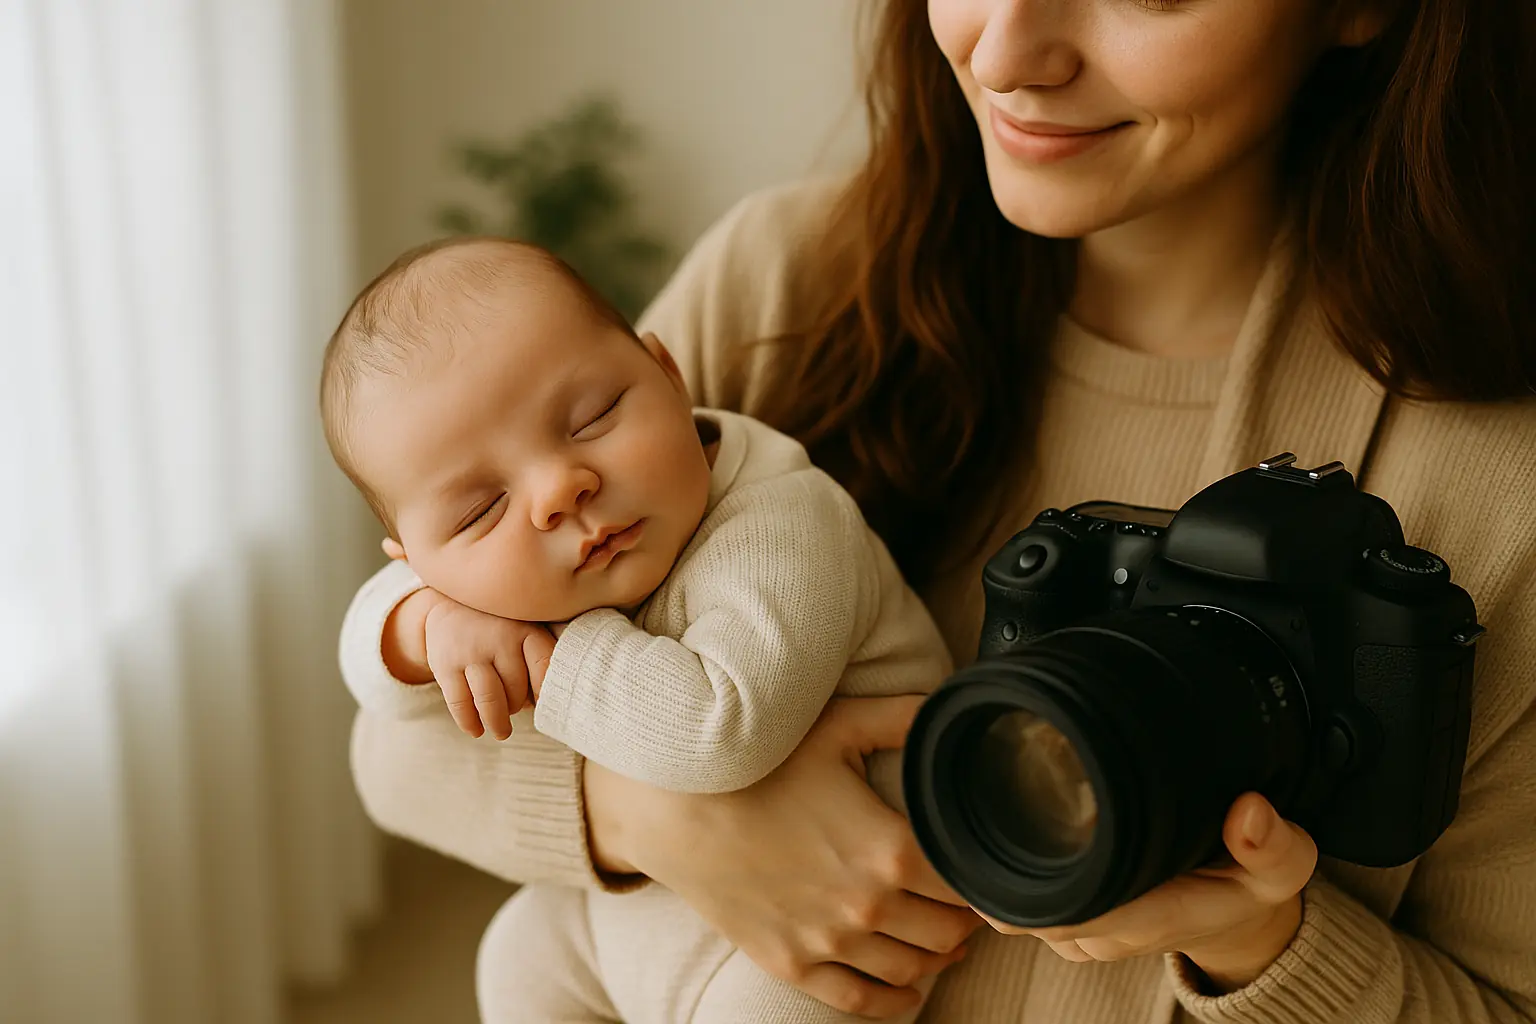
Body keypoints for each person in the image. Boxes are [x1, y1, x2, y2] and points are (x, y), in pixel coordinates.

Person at [340, 0, 1536, 1021]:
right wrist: (667, 813)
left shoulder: (1493, 482)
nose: (1011, 51)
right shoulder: (783, 280)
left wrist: (1263, 952)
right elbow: (399, 752)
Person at [321, 238, 958, 1021]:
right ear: (415, 556)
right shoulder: (476, 584)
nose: (560, 489)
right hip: (635, 914)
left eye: (592, 418)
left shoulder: (786, 521)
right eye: (480, 509)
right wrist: (422, 622)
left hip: (822, 945)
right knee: (519, 950)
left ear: (667, 373)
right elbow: (377, 692)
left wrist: (543, 656)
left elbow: (720, 729)